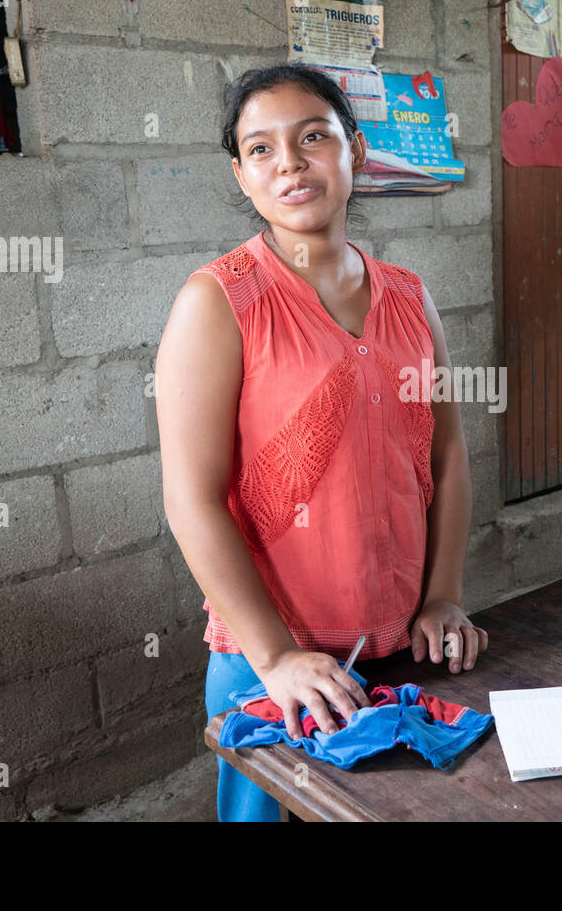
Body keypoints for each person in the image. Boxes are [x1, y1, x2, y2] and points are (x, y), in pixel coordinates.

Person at [155, 64, 487, 822]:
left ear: (357, 151)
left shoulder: (409, 295)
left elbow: (447, 456)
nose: (291, 164)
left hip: (402, 644)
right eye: (261, 149)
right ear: (240, 175)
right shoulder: (219, 301)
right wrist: (275, 658)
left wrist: (443, 596)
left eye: (313, 137)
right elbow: (191, 498)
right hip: (267, 663)